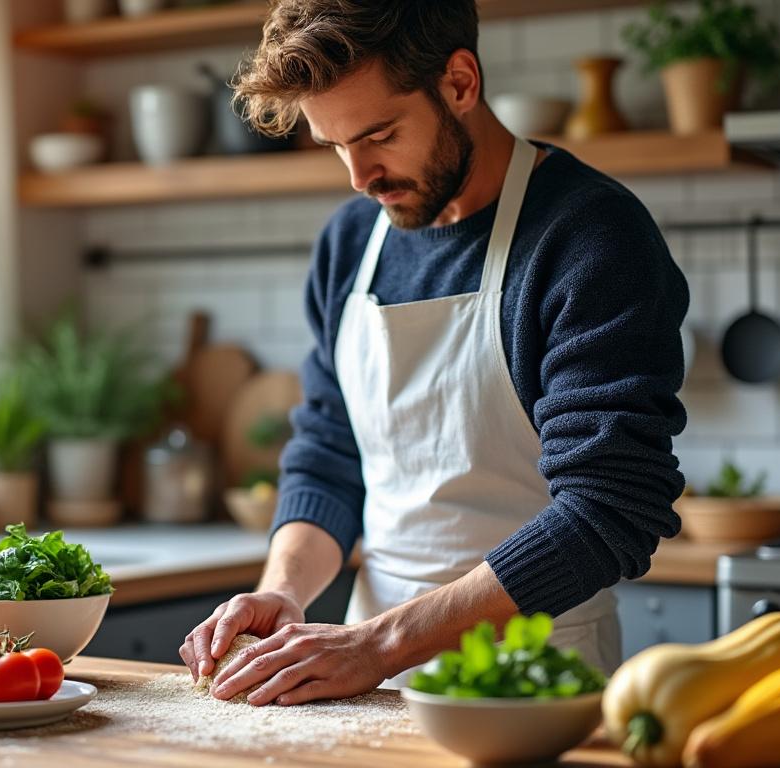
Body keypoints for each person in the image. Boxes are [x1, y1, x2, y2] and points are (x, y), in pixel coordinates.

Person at [179, 0, 688, 707]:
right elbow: (330, 454)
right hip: (358, 678)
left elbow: (611, 508)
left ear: (459, 83)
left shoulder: (590, 238)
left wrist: (381, 645)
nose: (360, 176)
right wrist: (282, 591)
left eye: (380, 134)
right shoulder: (351, 242)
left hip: (534, 679)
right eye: (335, 146)